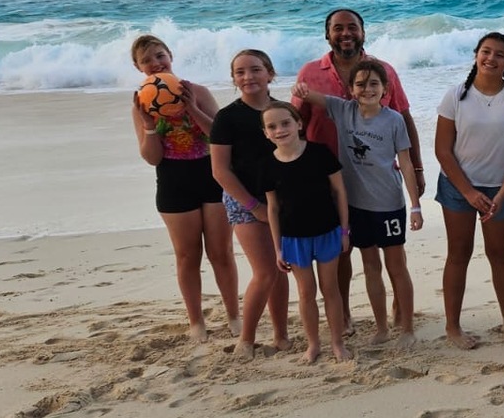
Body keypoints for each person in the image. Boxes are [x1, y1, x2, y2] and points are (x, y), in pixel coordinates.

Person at [292, 8, 424, 330]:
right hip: (326, 182)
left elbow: (404, 118)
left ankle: (399, 315)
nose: (346, 33)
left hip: (379, 183)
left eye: (353, 27)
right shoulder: (310, 72)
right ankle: (345, 316)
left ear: (364, 32)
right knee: (341, 254)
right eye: (338, 28)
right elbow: (295, 125)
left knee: (394, 258)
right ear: (327, 34)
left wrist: (417, 169)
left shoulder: (385, 71)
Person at [128, 35, 239, 343]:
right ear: (139, 68)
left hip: (211, 176)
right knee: (187, 255)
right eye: (147, 60)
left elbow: (221, 138)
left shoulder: (198, 91)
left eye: (160, 55)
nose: (156, 63)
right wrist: (149, 124)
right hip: (173, 182)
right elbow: (152, 158)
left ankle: (234, 316)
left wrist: (189, 106)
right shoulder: (141, 102)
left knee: (221, 253)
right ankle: (197, 322)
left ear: (171, 56)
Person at [433, 32, 504, 348]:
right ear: (476, 54)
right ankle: (453, 328)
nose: (491, 58)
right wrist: (468, 192)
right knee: (459, 253)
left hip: (500, 187)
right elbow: (442, 150)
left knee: (498, 253)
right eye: (486, 52)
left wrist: (502, 193)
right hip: (457, 186)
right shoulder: (456, 96)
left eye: (499, 54)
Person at [211, 49, 291, 356]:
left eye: (255, 70)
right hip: (242, 200)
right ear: (233, 79)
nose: (248, 77)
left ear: (270, 73)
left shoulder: (283, 112)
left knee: (281, 267)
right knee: (265, 271)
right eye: (240, 72)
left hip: (280, 199)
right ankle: (246, 339)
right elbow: (220, 171)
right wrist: (252, 206)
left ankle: (282, 336)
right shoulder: (227, 117)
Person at [260, 100, 351, 363]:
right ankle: (313, 345)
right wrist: (278, 247)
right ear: (266, 133)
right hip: (293, 238)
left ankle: (337, 342)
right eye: (272, 126)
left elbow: (339, 192)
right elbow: (273, 208)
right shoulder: (267, 165)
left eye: (286, 123)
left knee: (330, 288)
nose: (280, 130)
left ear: (299, 124)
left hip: (327, 232)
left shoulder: (320, 153)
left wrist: (344, 231)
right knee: (305, 292)